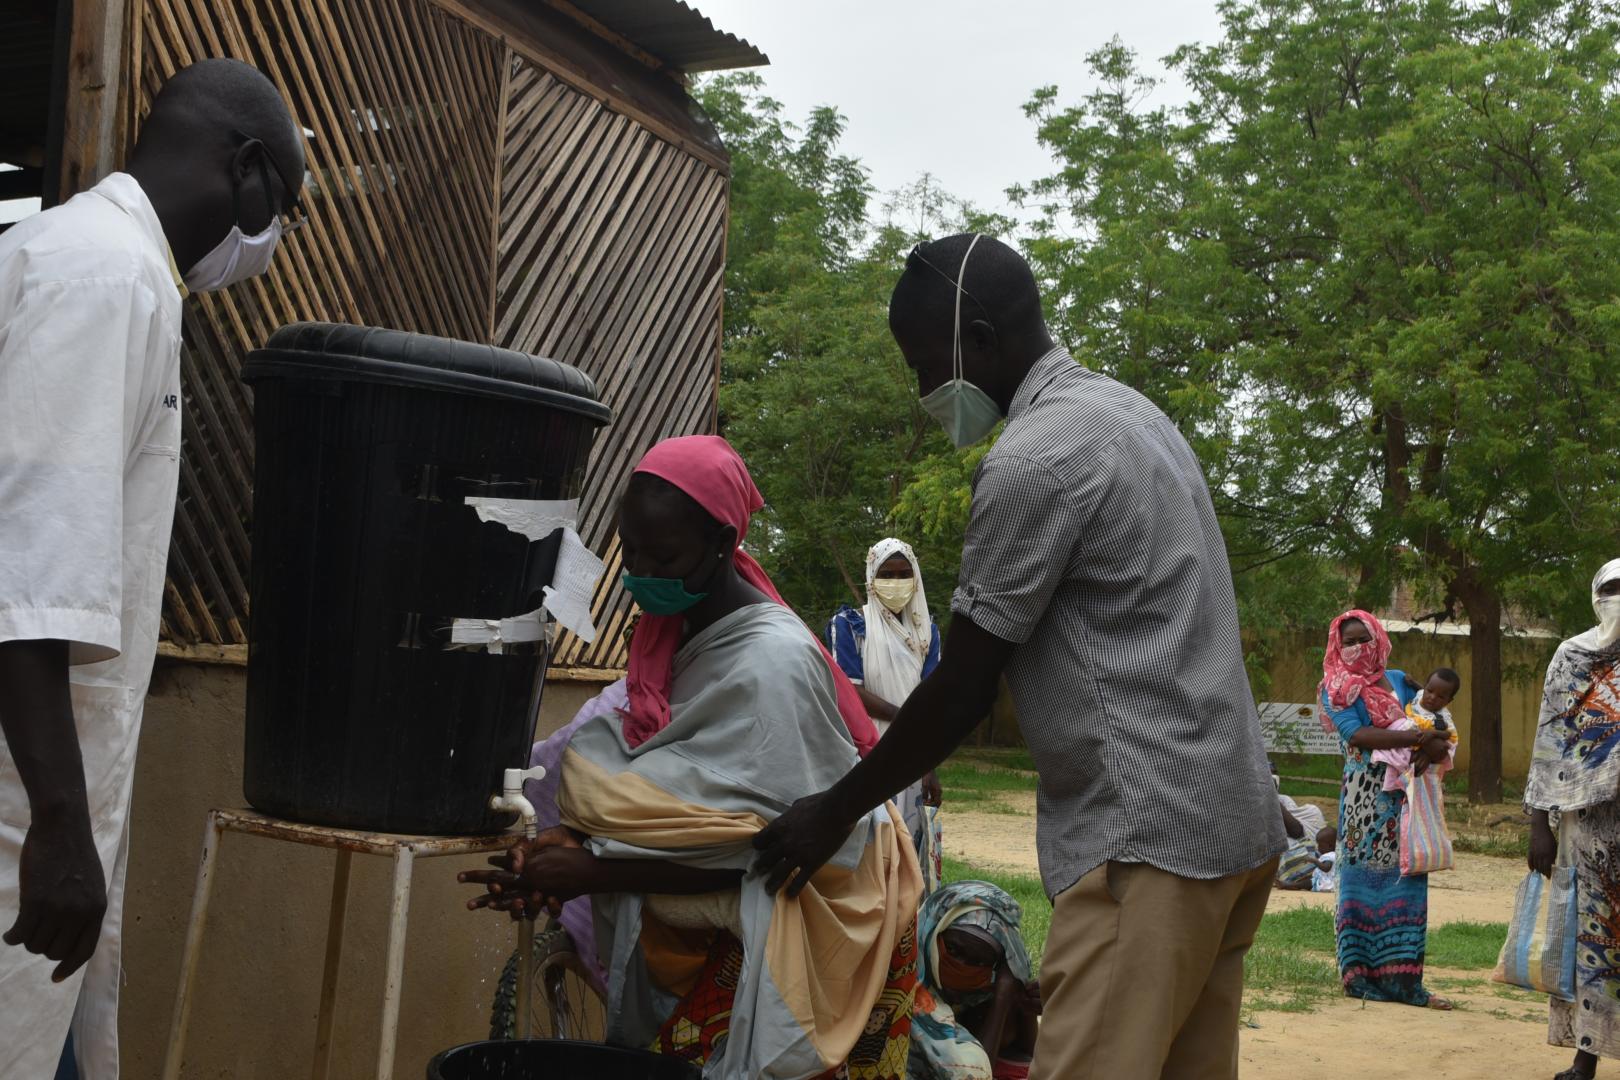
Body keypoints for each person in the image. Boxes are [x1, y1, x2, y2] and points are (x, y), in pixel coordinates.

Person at [751, 233, 1285, 1080]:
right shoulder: (1133, 415)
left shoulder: (1036, 460)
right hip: (1229, 822)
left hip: (1145, 842)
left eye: (928, 365)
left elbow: (963, 685)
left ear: (983, 338)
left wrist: (832, 811)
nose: (926, 391)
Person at [0, 59, 302, 1079]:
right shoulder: (102, 277)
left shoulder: (98, 267)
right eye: (284, 216)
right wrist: (57, 829)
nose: (269, 245)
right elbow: (30, 573)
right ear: (249, 171)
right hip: (22, 812)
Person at [461, 436, 915, 1080]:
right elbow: (672, 795)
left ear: (724, 545)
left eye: (663, 555)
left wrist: (592, 874)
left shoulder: (771, 668)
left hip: (814, 909)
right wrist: (562, 848)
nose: (641, 571)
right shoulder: (675, 630)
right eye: (633, 551)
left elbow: (768, 853)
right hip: (724, 917)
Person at [1318, 610, 1453, 1010]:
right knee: (1361, 881)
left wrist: (1430, 740)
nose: (1358, 647)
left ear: (1378, 637)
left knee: (1405, 878)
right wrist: (1420, 739)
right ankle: (1360, 978)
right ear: (1337, 646)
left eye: (1364, 638)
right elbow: (1357, 735)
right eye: (1349, 641)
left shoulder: (1397, 680)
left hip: (1405, 795)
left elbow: (1433, 719)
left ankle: (1405, 982)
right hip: (1363, 797)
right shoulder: (1336, 687)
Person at [1527, 558, 1620, 1080]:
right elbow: (1550, 738)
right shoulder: (1572, 655)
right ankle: (1585, 1058)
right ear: (1595, 594)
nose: (1619, 597)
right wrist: (1539, 823)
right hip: (1585, 826)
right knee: (1591, 940)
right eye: (1612, 588)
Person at [828, 538, 944, 884]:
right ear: (871, 578)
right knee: (865, 851)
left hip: (911, 755)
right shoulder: (850, 626)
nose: (895, 582)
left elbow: (932, 701)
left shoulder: (927, 634)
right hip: (861, 750)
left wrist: (929, 768)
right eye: (887, 574)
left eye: (904, 573)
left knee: (907, 853)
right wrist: (908, 717)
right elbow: (850, 692)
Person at [910, 880, 1040, 1080]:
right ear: (931, 932)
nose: (962, 968)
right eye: (953, 950)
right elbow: (969, 1075)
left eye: (979, 962)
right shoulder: (908, 985)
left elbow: (1028, 1053)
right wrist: (1001, 1002)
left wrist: (1019, 999)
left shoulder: (982, 991)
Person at [1311, 827, 1338, 893]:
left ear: (1330, 846)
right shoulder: (1335, 854)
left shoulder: (1330, 855)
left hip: (1326, 883)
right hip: (1328, 881)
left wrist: (1314, 861)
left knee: (1308, 882)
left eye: (1320, 846)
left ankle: (1289, 884)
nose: (1318, 848)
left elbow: (1326, 868)